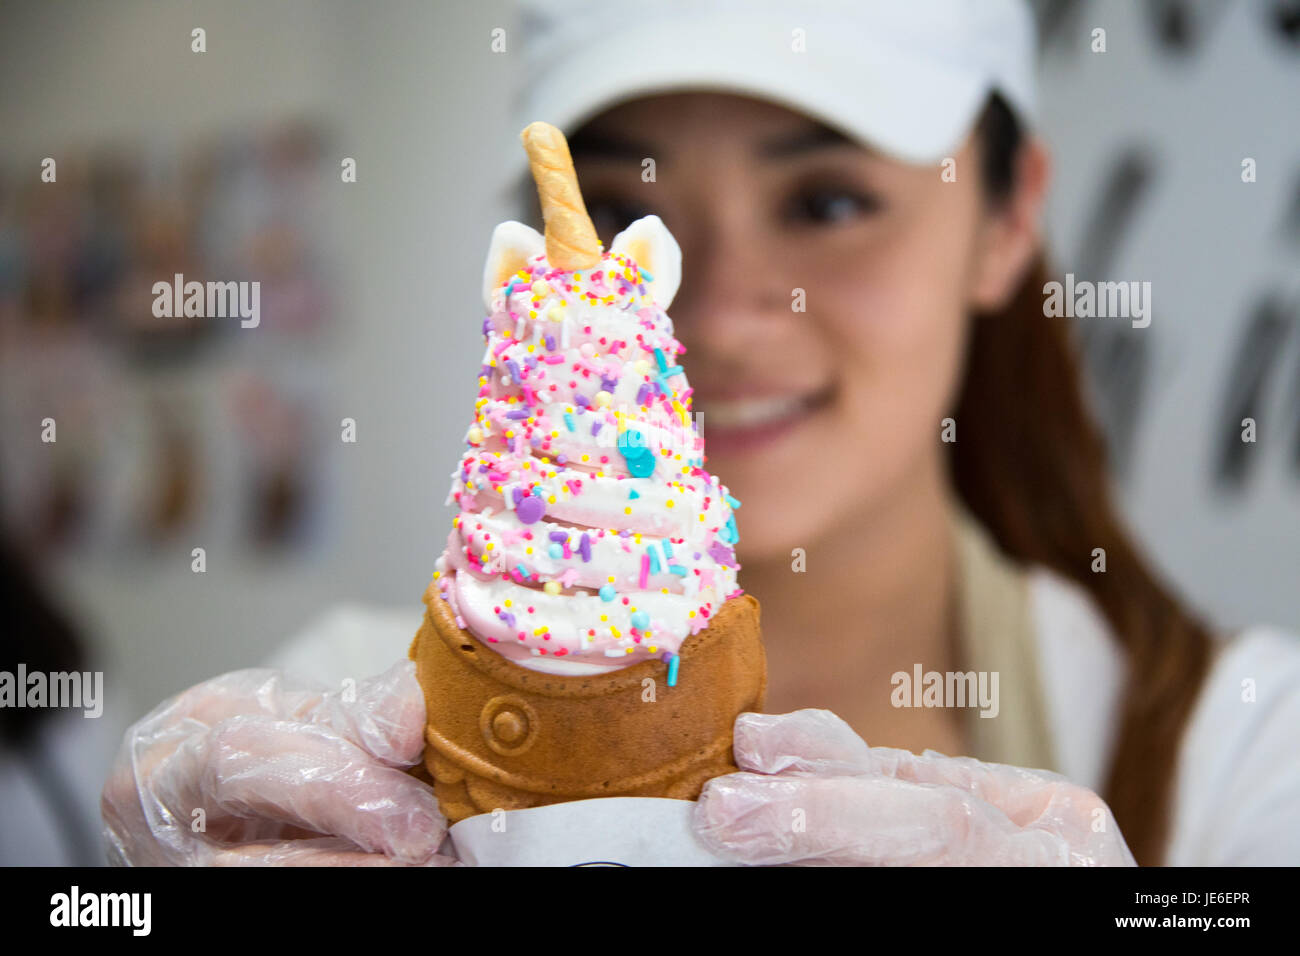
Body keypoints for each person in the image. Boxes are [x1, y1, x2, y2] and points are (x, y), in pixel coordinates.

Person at [101, 0, 1300, 866]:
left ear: (1008, 218)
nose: (717, 310)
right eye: (624, 209)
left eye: (825, 201)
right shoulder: (347, 712)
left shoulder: (1239, 755)